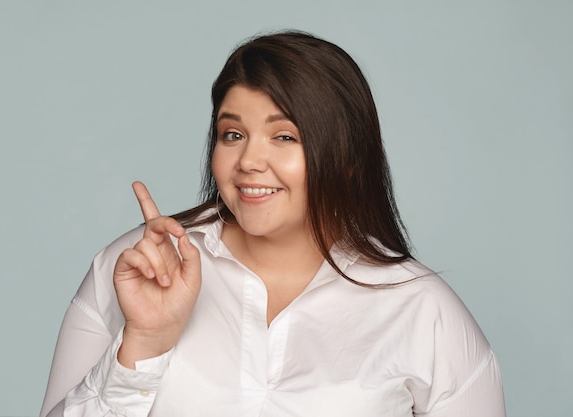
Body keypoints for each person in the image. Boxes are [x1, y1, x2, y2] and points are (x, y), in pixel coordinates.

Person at [39, 31, 506, 417]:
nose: (249, 161)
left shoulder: (422, 311)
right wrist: (144, 343)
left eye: (284, 136)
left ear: (347, 160)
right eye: (233, 134)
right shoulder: (138, 267)